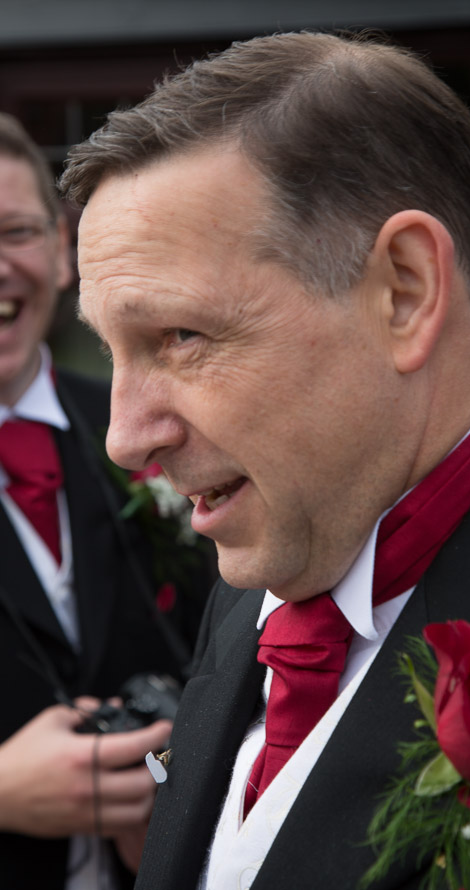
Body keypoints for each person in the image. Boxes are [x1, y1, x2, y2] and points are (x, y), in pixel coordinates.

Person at [60, 31, 470, 890]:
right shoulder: (271, 556)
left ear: (405, 290)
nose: (125, 437)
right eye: (111, 352)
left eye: (181, 336)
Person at [0, 113, 214, 890]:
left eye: (17, 232)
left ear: (63, 252)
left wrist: (165, 782)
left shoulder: (155, 428)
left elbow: (226, 654)